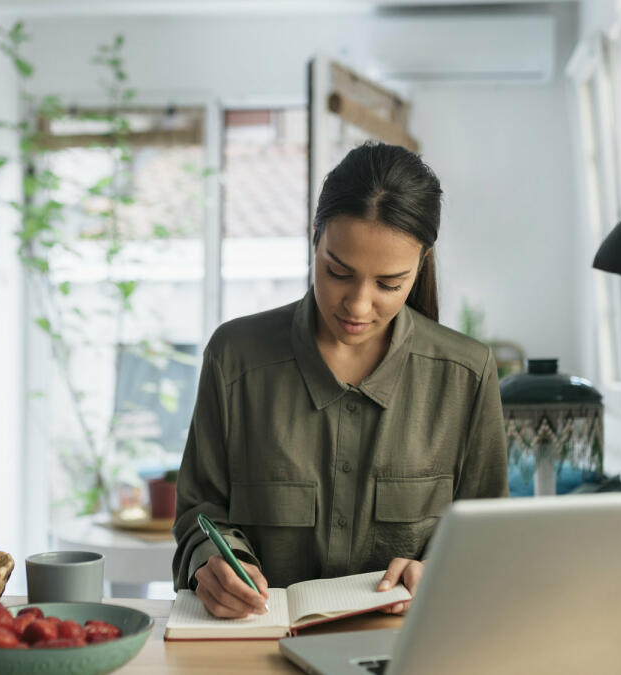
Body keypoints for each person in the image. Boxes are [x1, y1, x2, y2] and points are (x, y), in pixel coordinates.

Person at [171, 141, 508, 619]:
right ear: (315, 238)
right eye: (338, 272)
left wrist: (442, 571)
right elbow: (199, 513)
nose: (357, 305)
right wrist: (215, 564)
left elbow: (489, 538)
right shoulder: (235, 357)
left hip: (406, 650)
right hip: (255, 647)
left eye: (389, 284)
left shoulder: (466, 375)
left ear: (422, 263)